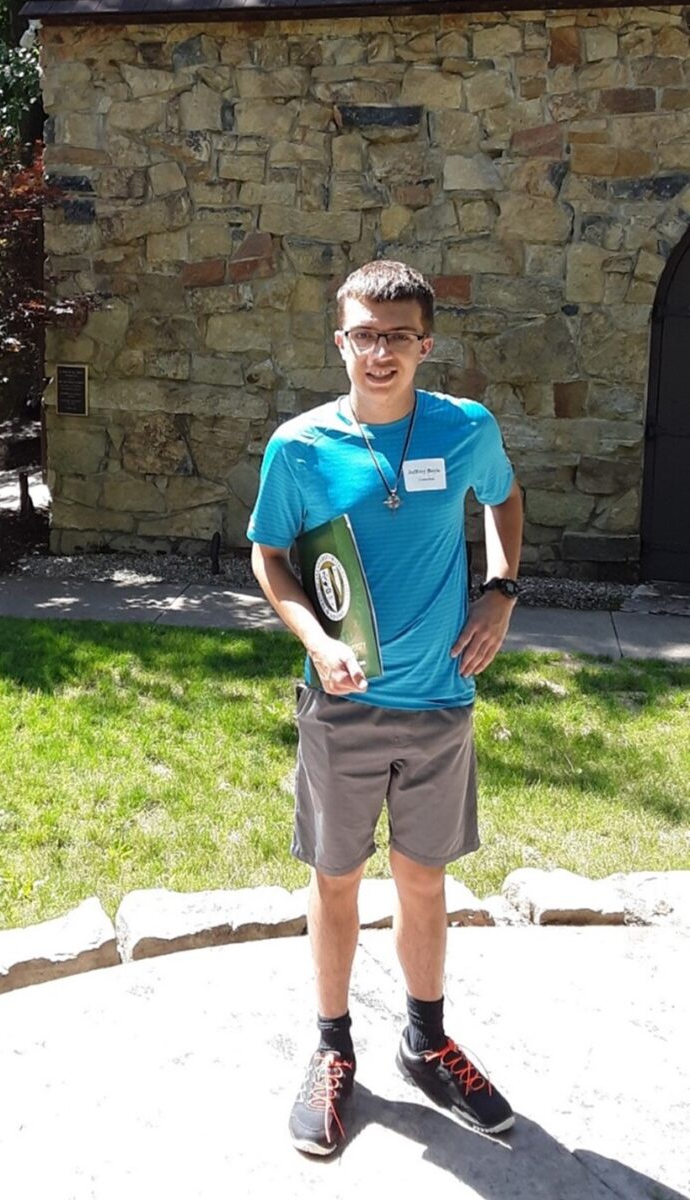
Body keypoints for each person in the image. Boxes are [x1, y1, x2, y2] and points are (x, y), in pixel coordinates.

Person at [247, 259, 524, 1156]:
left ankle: (426, 1041)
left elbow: (503, 496)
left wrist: (501, 589)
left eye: (396, 336)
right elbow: (270, 557)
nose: (378, 352)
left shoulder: (464, 427)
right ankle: (332, 1051)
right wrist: (316, 642)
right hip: (343, 709)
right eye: (362, 334)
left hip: (440, 701)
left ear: (424, 345)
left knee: (423, 880)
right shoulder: (299, 447)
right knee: (335, 881)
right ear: (340, 341)